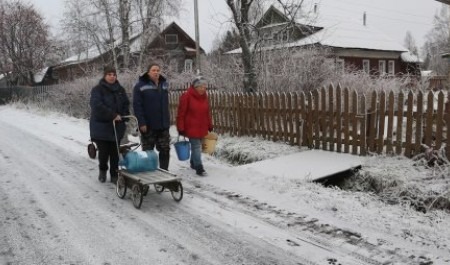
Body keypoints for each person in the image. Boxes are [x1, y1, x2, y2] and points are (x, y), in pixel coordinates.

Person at [89, 66, 130, 184]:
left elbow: (126, 104)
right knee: (104, 152)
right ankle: (102, 170)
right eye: (109, 74)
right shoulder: (97, 89)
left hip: (117, 126)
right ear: (105, 76)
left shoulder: (120, 90)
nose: (112, 76)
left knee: (115, 152)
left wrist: (125, 115)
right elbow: (96, 106)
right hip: (102, 127)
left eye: (114, 74)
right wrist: (112, 115)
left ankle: (114, 174)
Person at [133, 62, 171, 170]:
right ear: (148, 72)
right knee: (148, 151)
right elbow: (137, 106)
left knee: (165, 149)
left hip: (163, 124)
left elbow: (165, 104)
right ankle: (147, 172)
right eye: (153, 70)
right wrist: (142, 122)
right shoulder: (140, 85)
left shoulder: (163, 84)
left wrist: (167, 121)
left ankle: (164, 172)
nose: (156, 72)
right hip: (148, 125)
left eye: (158, 70)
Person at [176, 76, 213, 176]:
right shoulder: (187, 96)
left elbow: (207, 112)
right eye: (201, 87)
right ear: (195, 87)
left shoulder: (204, 97)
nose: (203, 89)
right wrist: (180, 127)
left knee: (197, 146)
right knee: (196, 147)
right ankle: (199, 167)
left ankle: (193, 162)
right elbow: (181, 113)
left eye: (204, 87)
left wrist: (210, 124)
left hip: (202, 126)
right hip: (191, 127)